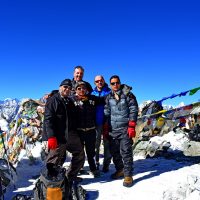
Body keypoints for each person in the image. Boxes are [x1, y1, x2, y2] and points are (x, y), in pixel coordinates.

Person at [44, 79, 85, 183]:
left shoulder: (69, 101)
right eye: (65, 87)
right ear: (60, 87)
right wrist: (51, 137)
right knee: (54, 159)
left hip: (70, 134)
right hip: (58, 135)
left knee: (79, 153)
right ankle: (51, 183)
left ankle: (70, 177)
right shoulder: (53, 100)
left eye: (69, 88)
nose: (67, 89)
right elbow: (48, 119)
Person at [104, 75, 138, 187]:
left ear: (120, 83)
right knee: (115, 152)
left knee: (126, 152)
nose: (115, 85)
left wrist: (132, 125)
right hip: (112, 129)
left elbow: (133, 109)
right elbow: (107, 112)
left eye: (117, 82)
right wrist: (105, 126)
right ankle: (120, 170)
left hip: (125, 129)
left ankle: (128, 175)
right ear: (110, 85)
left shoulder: (128, 94)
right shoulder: (108, 97)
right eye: (113, 83)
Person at [71, 81, 102, 178]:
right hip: (78, 131)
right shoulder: (72, 100)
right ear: (75, 90)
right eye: (79, 88)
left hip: (90, 130)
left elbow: (106, 99)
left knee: (90, 152)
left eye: (83, 88)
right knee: (78, 152)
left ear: (87, 89)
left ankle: (93, 169)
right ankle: (76, 169)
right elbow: (61, 98)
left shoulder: (92, 99)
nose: (81, 90)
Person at [91, 75, 112, 172]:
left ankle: (106, 164)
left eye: (101, 80)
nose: (99, 82)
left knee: (107, 144)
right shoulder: (92, 93)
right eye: (97, 81)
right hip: (96, 122)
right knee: (96, 144)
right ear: (95, 82)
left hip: (108, 122)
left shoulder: (109, 91)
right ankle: (96, 162)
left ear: (104, 81)